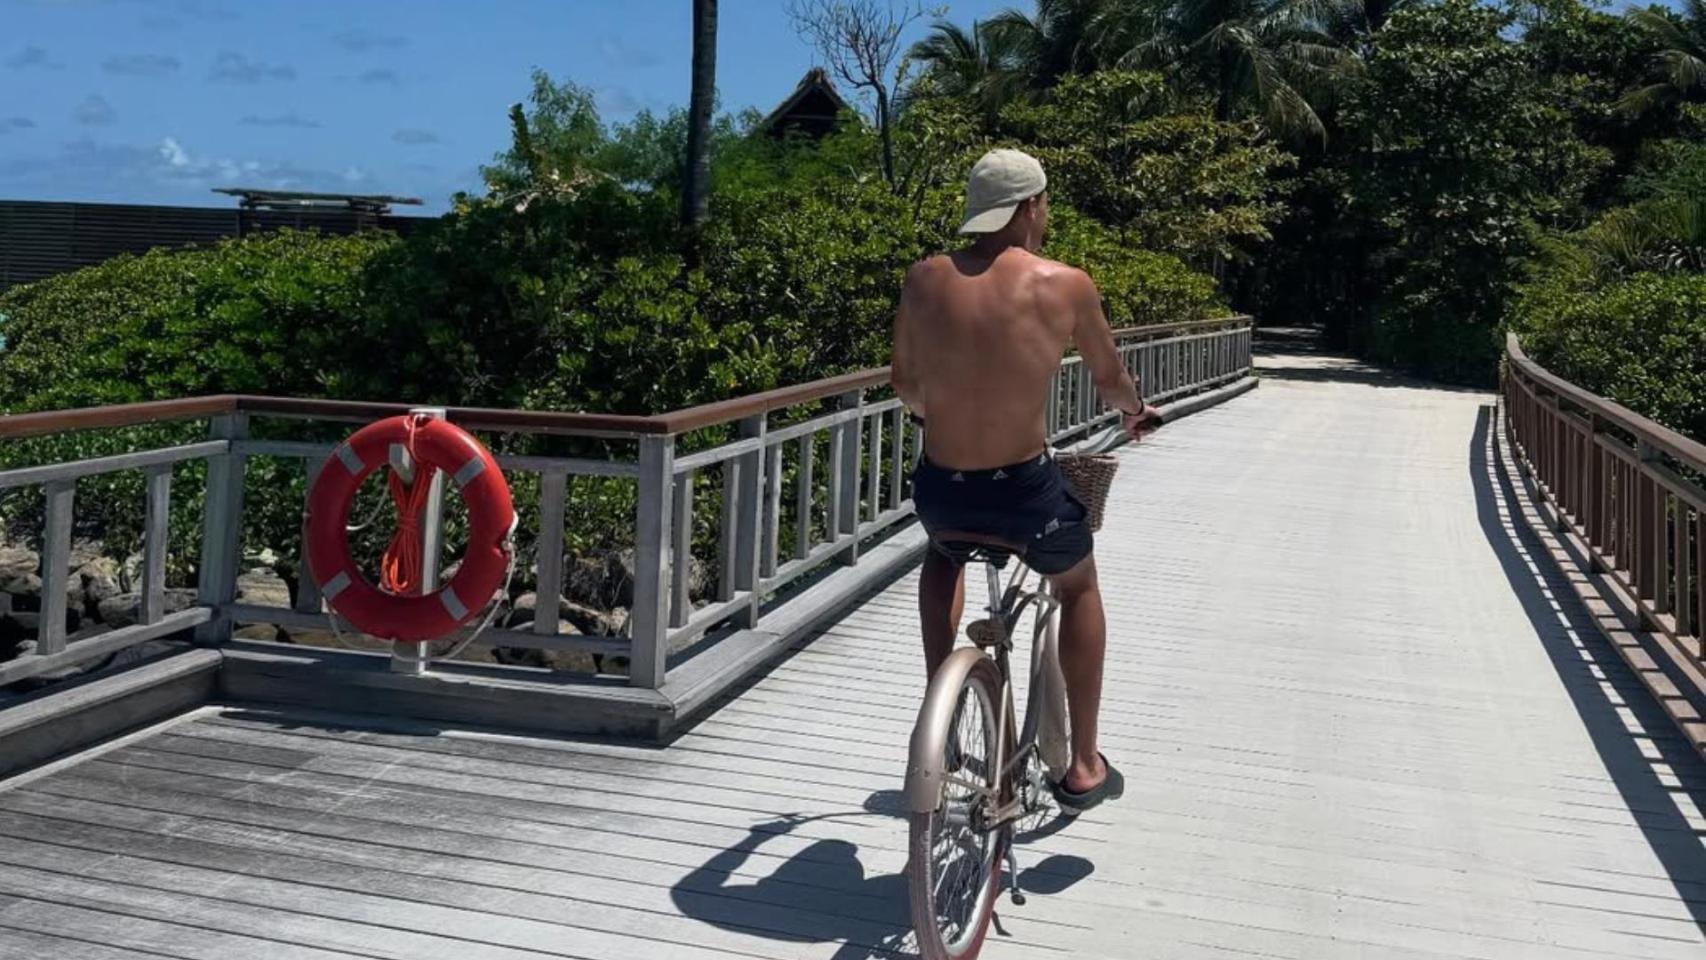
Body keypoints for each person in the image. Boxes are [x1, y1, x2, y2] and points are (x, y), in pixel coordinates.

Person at [891, 148, 1162, 814]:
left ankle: (940, 703)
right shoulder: (1065, 283)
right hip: (1023, 494)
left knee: (942, 551)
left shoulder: (925, 278)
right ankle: (1085, 764)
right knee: (1079, 584)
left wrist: (936, 413)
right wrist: (1133, 412)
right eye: (1043, 204)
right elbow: (1107, 378)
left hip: (942, 488)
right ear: (1030, 207)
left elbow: (904, 384)